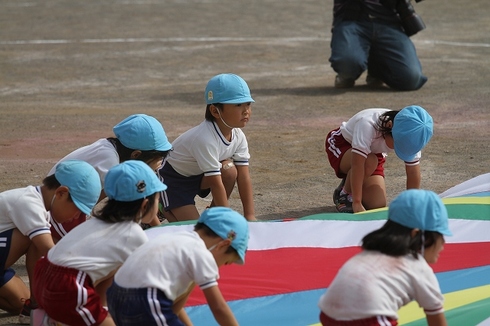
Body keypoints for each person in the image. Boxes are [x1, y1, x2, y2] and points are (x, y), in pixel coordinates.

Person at [32, 160, 167, 326]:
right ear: (145, 204)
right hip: (68, 288)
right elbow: (150, 284)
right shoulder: (133, 234)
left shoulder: (96, 222)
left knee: (115, 266)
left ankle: (66, 315)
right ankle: (60, 318)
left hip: (43, 274)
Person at [318, 189, 451, 326]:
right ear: (415, 234)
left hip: (328, 316)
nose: (444, 243)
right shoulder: (417, 266)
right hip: (370, 320)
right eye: (441, 235)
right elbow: (437, 320)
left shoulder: (369, 253)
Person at [107, 206, 249, 326]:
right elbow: (219, 308)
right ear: (223, 244)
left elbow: (174, 306)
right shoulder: (201, 253)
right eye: (226, 261)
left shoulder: (174, 238)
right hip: (145, 300)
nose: (220, 266)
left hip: (115, 295)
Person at [0, 160, 101, 324]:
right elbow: (50, 251)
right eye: (78, 210)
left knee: (17, 303)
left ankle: (33, 303)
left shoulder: (41, 209)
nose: (78, 217)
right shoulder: (27, 202)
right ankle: (37, 304)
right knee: (38, 239)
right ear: (61, 193)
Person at [47, 113, 172, 240]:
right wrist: (161, 234)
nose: (158, 165)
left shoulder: (108, 147)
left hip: (64, 204)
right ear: (135, 155)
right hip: (59, 209)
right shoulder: (109, 161)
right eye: (156, 161)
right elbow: (141, 200)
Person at [158, 73, 256, 222]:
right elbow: (215, 182)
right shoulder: (204, 138)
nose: (246, 111)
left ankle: (214, 214)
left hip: (200, 175)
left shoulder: (238, 135)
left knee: (229, 169)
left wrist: (250, 216)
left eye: (248, 104)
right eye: (238, 105)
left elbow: (243, 176)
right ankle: (162, 206)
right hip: (174, 181)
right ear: (215, 111)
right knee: (196, 231)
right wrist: (227, 221)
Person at [325, 105, 433, 213]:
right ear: (389, 126)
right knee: (369, 161)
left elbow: (413, 173)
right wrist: (357, 202)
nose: (398, 149)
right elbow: (358, 164)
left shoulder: (414, 135)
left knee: (377, 204)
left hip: (372, 154)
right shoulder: (367, 124)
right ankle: (344, 194)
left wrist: (412, 204)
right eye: (398, 145)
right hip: (343, 144)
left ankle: (351, 180)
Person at [329, 0, 427, 90]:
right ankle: (347, 74)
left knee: (410, 78)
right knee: (347, 63)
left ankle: (377, 69)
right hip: (352, 19)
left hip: (388, 21)